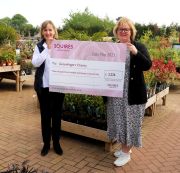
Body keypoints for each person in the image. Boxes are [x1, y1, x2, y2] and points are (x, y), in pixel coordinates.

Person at [106, 17, 152, 166]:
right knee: (119, 121)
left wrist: (136, 52)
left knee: (130, 124)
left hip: (132, 94)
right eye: (121, 29)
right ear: (116, 32)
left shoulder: (138, 46)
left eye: (127, 29)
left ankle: (126, 154)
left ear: (132, 31)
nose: (124, 31)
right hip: (116, 94)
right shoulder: (113, 48)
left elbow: (147, 65)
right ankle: (125, 149)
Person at [32, 20, 65, 156]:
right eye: (45, 30)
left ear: (54, 31)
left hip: (58, 86)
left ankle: (56, 143)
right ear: (42, 32)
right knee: (45, 117)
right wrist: (47, 48)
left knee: (57, 117)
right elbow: (35, 62)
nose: (48, 32)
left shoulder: (62, 46)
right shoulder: (39, 46)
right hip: (44, 87)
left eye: (50, 30)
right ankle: (46, 144)